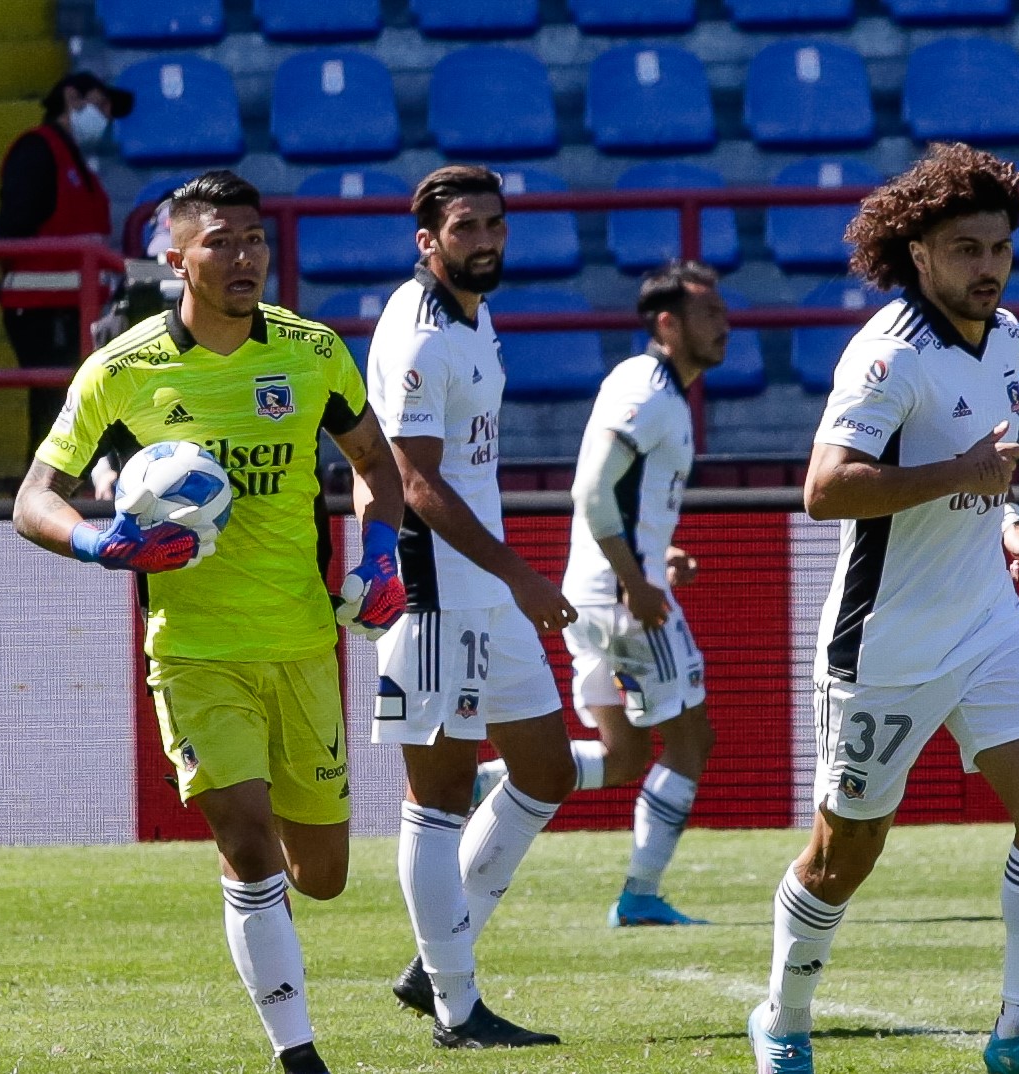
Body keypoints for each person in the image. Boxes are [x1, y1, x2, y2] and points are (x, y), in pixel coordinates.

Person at [12, 170, 408, 1074]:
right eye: (221, 241)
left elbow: (376, 466)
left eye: (253, 241)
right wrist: (98, 544)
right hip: (193, 652)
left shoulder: (312, 353)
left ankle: (262, 925)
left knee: (324, 875)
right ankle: (296, 1051)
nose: (244, 258)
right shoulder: (121, 369)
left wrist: (379, 554)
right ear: (175, 255)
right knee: (244, 838)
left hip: (304, 641)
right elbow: (34, 499)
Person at [747, 144, 1019, 1074]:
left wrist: (1007, 518)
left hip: (986, 625)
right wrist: (961, 479)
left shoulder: (1007, 335)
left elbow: (991, 457)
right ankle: (783, 1017)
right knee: (842, 854)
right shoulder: (890, 354)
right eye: (966, 248)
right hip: (884, 645)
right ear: (919, 252)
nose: (987, 267)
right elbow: (825, 489)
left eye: (1000, 248)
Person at [362, 165, 580, 1049]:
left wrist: (508, 580)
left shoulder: (472, 316)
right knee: (439, 796)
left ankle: (434, 958)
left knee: (547, 772)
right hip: (436, 591)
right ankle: (456, 1005)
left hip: (486, 587)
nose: (486, 240)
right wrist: (521, 575)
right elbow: (415, 484)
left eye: (495, 224)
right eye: (465, 229)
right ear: (429, 241)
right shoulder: (419, 334)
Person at [551, 259, 726, 928]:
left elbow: (621, 500)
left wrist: (657, 553)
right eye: (710, 316)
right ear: (666, 323)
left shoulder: (661, 392)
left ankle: (475, 786)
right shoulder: (648, 390)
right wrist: (634, 578)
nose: (726, 329)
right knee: (691, 740)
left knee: (624, 756)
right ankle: (642, 895)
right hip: (619, 597)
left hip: (600, 589)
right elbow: (591, 492)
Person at [0, 71, 133, 450]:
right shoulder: (37, 152)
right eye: (101, 105)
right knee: (57, 407)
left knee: (65, 405)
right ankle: (43, 494)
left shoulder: (71, 159)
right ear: (72, 98)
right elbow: (11, 232)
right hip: (43, 307)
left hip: (70, 305)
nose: (105, 117)